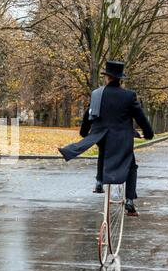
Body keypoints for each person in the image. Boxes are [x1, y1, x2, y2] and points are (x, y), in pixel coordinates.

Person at [59, 61, 154, 216]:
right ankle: (129, 201)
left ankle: (99, 183)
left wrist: (84, 132)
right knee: (131, 165)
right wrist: (148, 134)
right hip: (122, 137)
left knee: (103, 151)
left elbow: (88, 115)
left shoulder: (97, 93)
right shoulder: (129, 96)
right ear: (120, 79)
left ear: (107, 77)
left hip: (101, 134)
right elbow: (140, 118)